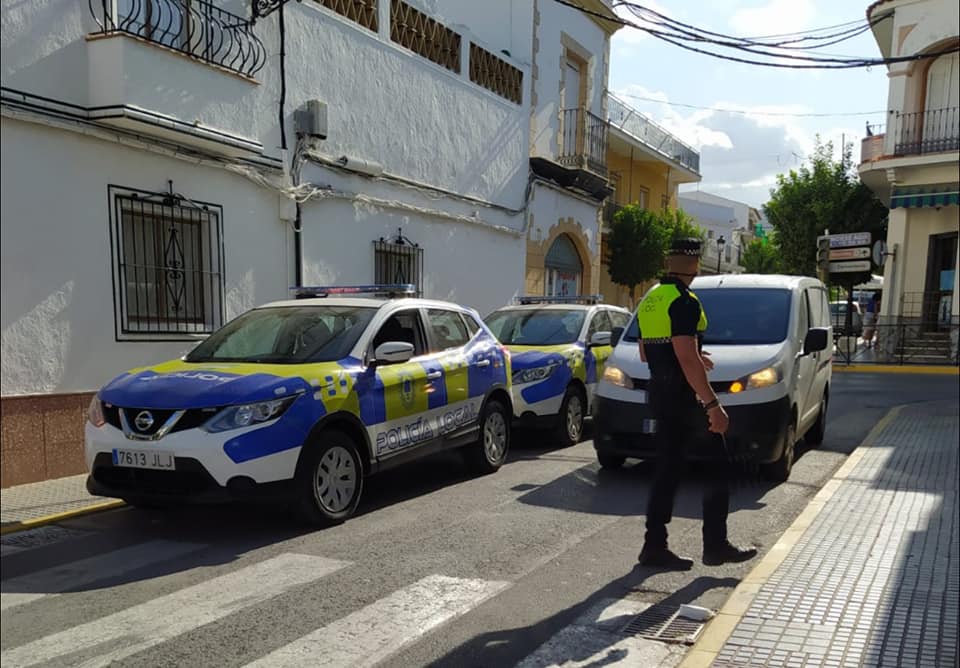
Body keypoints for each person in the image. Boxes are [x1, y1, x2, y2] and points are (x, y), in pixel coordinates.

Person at [636, 238, 758, 570]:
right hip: (684, 398)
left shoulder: (652, 297)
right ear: (694, 264)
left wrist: (687, 357)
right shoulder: (684, 301)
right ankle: (716, 546)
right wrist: (712, 404)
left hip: (659, 392)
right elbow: (686, 358)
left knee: (667, 470)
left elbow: (647, 351)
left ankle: (654, 546)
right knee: (717, 467)